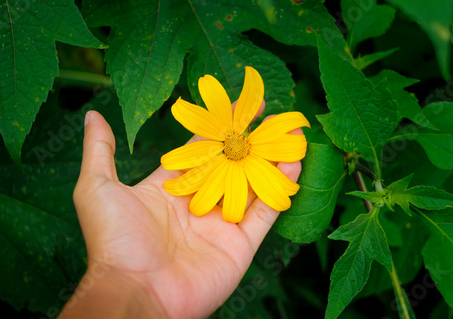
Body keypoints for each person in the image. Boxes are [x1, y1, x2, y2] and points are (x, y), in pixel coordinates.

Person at [58, 107, 302, 319]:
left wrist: (124, 278)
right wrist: (127, 278)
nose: (236, 145)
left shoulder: (238, 146)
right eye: (233, 143)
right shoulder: (227, 146)